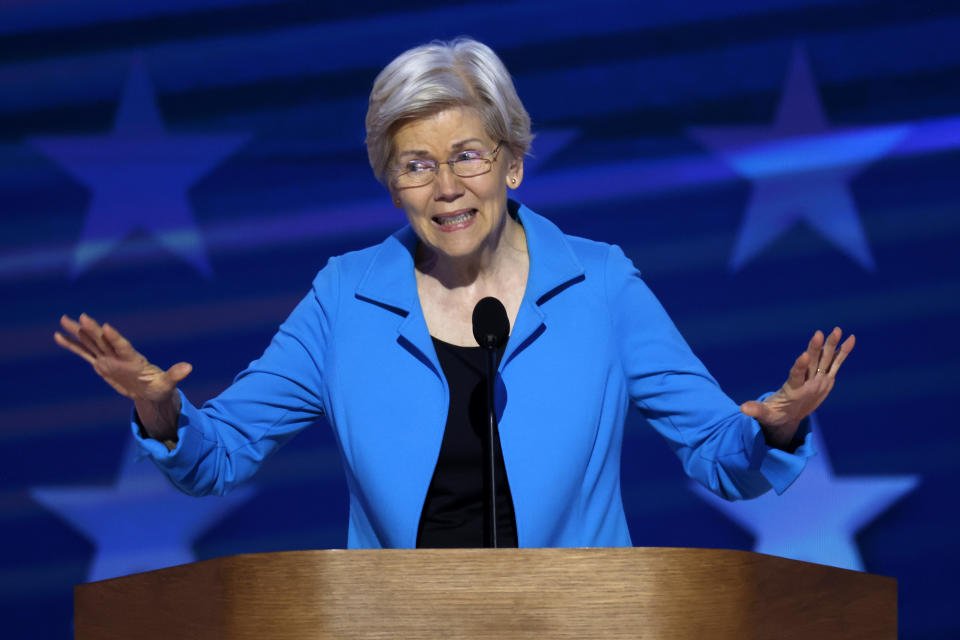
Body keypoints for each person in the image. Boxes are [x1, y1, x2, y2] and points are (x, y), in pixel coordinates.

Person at [54, 38, 854, 549]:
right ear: (391, 184)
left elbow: (723, 456)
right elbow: (217, 457)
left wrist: (774, 431)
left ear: (511, 163)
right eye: (415, 164)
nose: (446, 187)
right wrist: (161, 412)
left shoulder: (600, 283)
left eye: (468, 155)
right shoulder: (346, 298)